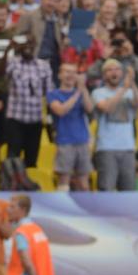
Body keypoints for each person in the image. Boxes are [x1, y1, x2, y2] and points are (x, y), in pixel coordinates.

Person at [92, 60, 138, 191]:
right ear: (104, 75)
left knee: (128, 189)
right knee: (106, 189)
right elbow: (107, 108)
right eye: (110, 70)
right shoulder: (98, 92)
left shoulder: (129, 91)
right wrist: (124, 89)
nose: (114, 72)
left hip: (128, 147)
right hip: (106, 147)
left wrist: (133, 83)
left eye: (117, 69)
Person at [4, 35, 53, 169]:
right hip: (16, 118)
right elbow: (1, 74)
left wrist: (49, 118)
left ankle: (28, 187)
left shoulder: (44, 65)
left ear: (35, 45)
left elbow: (48, 93)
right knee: (13, 157)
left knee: (31, 159)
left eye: (30, 44)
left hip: (35, 119)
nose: (28, 47)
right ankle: (11, 185)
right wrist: (8, 49)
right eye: (24, 44)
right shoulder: (13, 62)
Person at [47, 63, 93, 191]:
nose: (70, 75)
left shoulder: (81, 92)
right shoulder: (53, 94)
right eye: (67, 72)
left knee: (84, 182)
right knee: (64, 181)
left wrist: (82, 89)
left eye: (73, 72)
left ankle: (85, 209)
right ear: (60, 75)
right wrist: (78, 92)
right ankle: (63, 208)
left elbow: (90, 108)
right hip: (65, 141)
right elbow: (61, 110)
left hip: (82, 141)